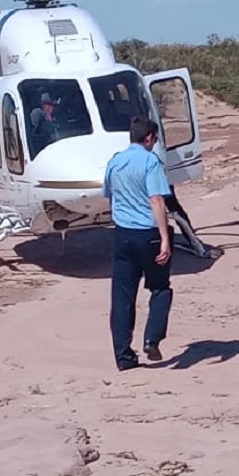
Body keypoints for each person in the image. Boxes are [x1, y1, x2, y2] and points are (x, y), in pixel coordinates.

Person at [102, 116, 174, 371]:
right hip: (148, 234)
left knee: (122, 297)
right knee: (160, 288)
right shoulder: (150, 161)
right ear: (149, 138)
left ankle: (123, 356)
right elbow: (157, 200)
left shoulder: (115, 161)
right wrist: (165, 238)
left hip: (122, 234)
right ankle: (152, 339)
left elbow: (110, 196)